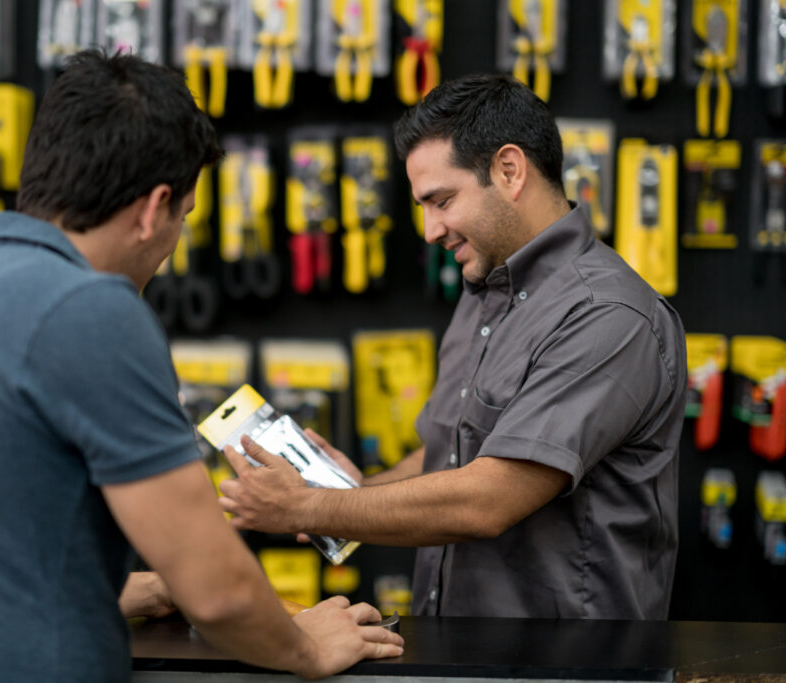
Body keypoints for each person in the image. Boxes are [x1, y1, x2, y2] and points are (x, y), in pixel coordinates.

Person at [0, 51, 403, 682]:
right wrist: (305, 645)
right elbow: (217, 591)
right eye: (183, 219)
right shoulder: (90, 309)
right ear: (153, 209)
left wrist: (136, 591)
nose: (171, 250)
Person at [219, 74, 687, 620]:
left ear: (510, 171)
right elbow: (456, 453)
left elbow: (488, 497)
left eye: (442, 200)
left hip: (567, 670)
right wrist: (361, 488)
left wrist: (310, 506)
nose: (429, 230)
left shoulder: (608, 316)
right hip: (456, 654)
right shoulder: (484, 289)